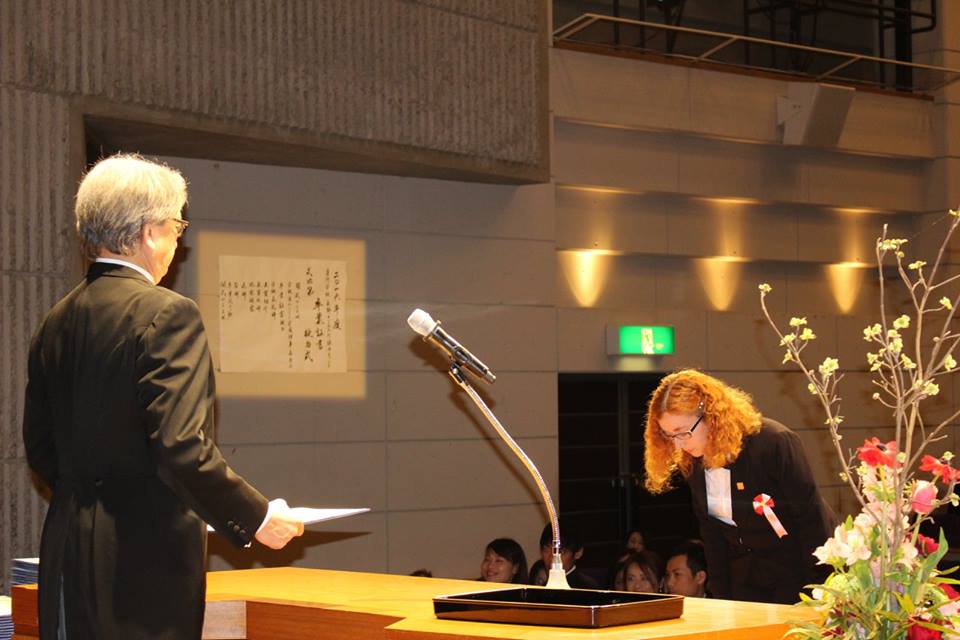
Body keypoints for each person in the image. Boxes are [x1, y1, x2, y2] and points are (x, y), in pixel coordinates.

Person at [22, 154, 305, 640]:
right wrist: (257, 516)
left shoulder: (55, 321)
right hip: (142, 565)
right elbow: (181, 448)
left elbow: (41, 450)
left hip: (66, 555)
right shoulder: (169, 314)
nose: (178, 241)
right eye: (177, 227)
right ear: (150, 231)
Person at [643, 369, 835, 604]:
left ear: (711, 415)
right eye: (669, 436)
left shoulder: (773, 443)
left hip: (797, 574)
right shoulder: (694, 463)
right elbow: (713, 536)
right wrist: (722, 597)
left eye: (682, 432)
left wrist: (822, 589)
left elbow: (811, 521)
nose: (678, 445)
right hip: (745, 581)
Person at [527, 522, 598, 589]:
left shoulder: (587, 588)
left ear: (578, 553)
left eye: (560, 552)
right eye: (546, 550)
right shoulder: (542, 588)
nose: (551, 558)